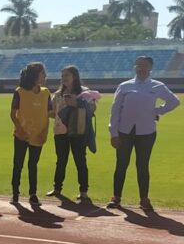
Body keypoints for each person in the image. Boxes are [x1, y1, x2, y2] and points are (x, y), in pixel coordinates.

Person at [108, 55, 179, 212]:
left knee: (142, 165)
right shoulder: (124, 86)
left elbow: (174, 101)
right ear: (135, 67)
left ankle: (144, 199)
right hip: (124, 131)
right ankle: (116, 197)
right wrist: (113, 133)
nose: (141, 68)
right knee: (121, 165)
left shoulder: (157, 86)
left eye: (144, 65)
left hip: (146, 132)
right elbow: (115, 110)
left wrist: (157, 111)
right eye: (138, 65)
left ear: (150, 67)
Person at [47, 66, 100, 203]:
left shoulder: (84, 93)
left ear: (74, 77)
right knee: (61, 161)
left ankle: (83, 191)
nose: (64, 78)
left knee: (80, 161)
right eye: (62, 75)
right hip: (60, 131)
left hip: (78, 131)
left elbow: (92, 109)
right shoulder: (58, 94)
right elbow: (52, 112)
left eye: (67, 75)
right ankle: (57, 188)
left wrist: (77, 104)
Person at [10, 62, 51, 208]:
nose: (45, 76)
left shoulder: (46, 92)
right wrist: (19, 130)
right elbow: (13, 114)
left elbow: (50, 112)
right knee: (18, 164)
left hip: (38, 135)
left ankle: (33, 194)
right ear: (34, 75)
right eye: (42, 73)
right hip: (22, 135)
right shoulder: (20, 92)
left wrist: (63, 109)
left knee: (33, 165)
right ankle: (15, 192)